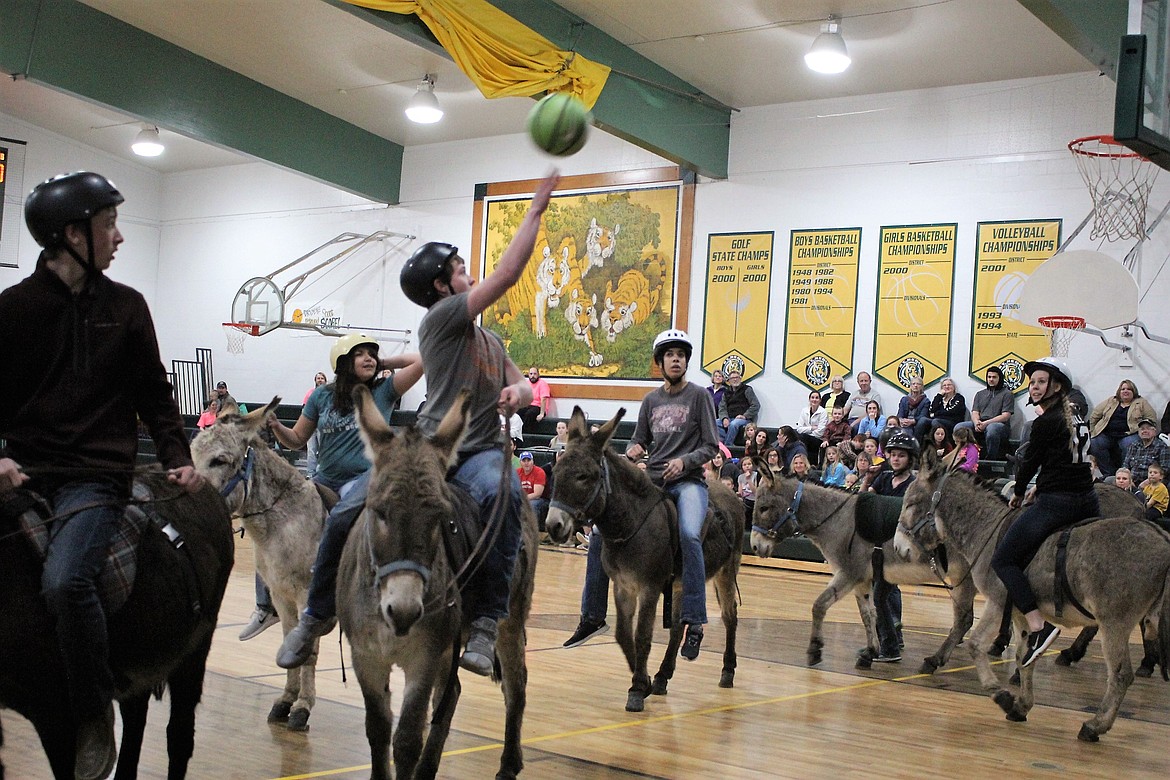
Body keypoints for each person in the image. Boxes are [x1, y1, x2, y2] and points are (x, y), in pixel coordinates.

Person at [0, 171, 203, 780]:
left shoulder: (128, 308)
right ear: (71, 234)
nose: (118, 237)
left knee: (66, 583)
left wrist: (176, 455)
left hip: (95, 478)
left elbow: (155, 394)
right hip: (25, 474)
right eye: (108, 224)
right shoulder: (12, 311)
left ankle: (91, 716)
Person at [397, 170, 559, 675]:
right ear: (441, 285)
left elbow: (526, 388)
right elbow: (509, 275)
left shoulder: (488, 339)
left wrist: (518, 391)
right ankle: (316, 611)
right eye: (461, 268)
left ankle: (487, 620)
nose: (470, 273)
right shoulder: (442, 316)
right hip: (432, 447)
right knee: (357, 500)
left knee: (508, 495)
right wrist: (534, 212)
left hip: (483, 450)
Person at [267, 335, 424, 664]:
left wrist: (383, 363)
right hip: (324, 478)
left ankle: (318, 612)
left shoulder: (383, 391)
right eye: (361, 355)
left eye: (372, 355)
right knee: (274, 523)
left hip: (366, 477)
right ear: (342, 361)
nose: (369, 359)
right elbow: (297, 440)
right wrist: (275, 426)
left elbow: (421, 361)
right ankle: (264, 605)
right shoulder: (321, 397)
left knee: (340, 519)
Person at [567, 329, 719, 659]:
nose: (676, 359)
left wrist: (684, 461)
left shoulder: (699, 397)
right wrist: (634, 450)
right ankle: (592, 616)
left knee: (691, 534)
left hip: (688, 481)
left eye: (681, 354)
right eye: (670, 355)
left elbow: (711, 445)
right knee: (597, 533)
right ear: (660, 362)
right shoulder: (651, 401)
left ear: (686, 362)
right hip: (651, 482)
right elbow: (640, 440)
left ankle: (694, 618)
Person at [991, 356, 1098, 668]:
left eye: (1040, 382)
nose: (1034, 387)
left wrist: (1021, 491)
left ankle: (1039, 625)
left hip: (1060, 503)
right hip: (1087, 499)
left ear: (1056, 386)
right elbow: (1064, 461)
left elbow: (1029, 464)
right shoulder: (1074, 415)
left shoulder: (1044, 422)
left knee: (1004, 559)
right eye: (1033, 382)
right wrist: (1046, 484)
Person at [868, 429, 918, 662]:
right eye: (892, 454)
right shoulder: (884, 478)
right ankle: (894, 636)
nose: (895, 459)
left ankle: (889, 647)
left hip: (899, 546)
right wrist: (867, 479)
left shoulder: (913, 484)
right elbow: (866, 501)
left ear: (910, 459)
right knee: (884, 591)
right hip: (879, 544)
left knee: (880, 594)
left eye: (901, 455)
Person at [1088, 379, 1157, 477]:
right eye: (1123, 389)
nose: (1125, 391)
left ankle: (1124, 474)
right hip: (1107, 434)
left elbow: (1151, 419)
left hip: (1129, 434)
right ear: (1119, 392)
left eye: (1129, 389)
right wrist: (1093, 431)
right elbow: (1094, 415)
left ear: (1134, 391)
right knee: (1095, 443)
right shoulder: (1111, 401)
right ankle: (1108, 474)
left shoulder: (1141, 402)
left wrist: (1144, 430)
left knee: (1128, 444)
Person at [953, 365, 1014, 460]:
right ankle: (963, 456)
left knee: (992, 428)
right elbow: (975, 412)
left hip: (999, 425)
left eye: (994, 377)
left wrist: (986, 423)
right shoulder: (980, 394)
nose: (991, 379)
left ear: (1000, 378)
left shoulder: (1007, 394)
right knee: (959, 427)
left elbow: (1006, 416)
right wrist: (976, 422)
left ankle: (990, 459)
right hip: (980, 422)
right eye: (989, 377)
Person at [717, 366, 760, 447]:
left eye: (737, 377)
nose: (735, 379)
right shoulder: (726, 392)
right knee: (714, 423)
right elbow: (722, 407)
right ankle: (722, 444)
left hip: (744, 419)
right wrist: (724, 418)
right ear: (728, 381)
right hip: (729, 417)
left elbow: (756, 405)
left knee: (733, 424)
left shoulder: (747, 389)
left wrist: (744, 416)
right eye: (732, 378)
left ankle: (728, 446)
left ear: (740, 378)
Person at [1121, 417, 1170, 484]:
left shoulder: (1162, 447)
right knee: (1109, 480)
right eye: (1142, 429)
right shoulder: (1133, 446)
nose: (1145, 431)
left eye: (1148, 428)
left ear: (1154, 432)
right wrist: (1128, 480)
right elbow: (1125, 466)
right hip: (1131, 482)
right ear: (1138, 432)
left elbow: (1165, 470)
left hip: (1152, 482)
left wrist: (1148, 482)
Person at [302, 371, 328, 477]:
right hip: (311, 426)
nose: (320, 380)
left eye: (322, 378)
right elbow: (304, 408)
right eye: (318, 378)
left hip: (323, 426)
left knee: (323, 449)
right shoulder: (310, 393)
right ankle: (311, 473)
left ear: (325, 380)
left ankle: (321, 472)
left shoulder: (329, 393)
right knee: (311, 450)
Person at [517, 451, 548, 528]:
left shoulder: (539, 472)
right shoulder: (517, 472)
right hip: (523, 498)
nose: (526, 463)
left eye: (529, 460)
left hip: (540, 500)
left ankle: (532, 532)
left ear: (533, 461)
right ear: (520, 462)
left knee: (532, 505)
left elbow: (537, 494)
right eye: (524, 461)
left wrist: (522, 499)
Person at [896, 375, 931, 441]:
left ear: (922, 386)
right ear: (910, 386)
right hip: (906, 423)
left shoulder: (926, 400)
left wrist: (912, 421)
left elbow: (923, 415)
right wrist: (901, 420)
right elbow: (900, 414)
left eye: (918, 384)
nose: (915, 386)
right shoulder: (904, 399)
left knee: (921, 421)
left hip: (917, 423)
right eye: (913, 384)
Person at [518, 366, 552, 432]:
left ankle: (524, 433)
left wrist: (542, 414)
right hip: (529, 405)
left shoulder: (542, 384)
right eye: (531, 374)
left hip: (539, 407)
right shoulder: (527, 383)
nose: (532, 376)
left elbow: (543, 399)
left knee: (529, 414)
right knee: (517, 412)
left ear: (538, 374)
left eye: (534, 374)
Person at [794, 390, 828, 455]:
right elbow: (799, 428)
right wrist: (811, 428)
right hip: (805, 437)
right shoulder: (804, 410)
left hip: (817, 439)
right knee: (794, 433)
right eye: (812, 397)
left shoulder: (823, 412)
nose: (814, 400)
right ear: (809, 399)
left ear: (820, 400)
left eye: (816, 398)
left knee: (803, 437)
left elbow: (820, 432)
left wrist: (807, 432)